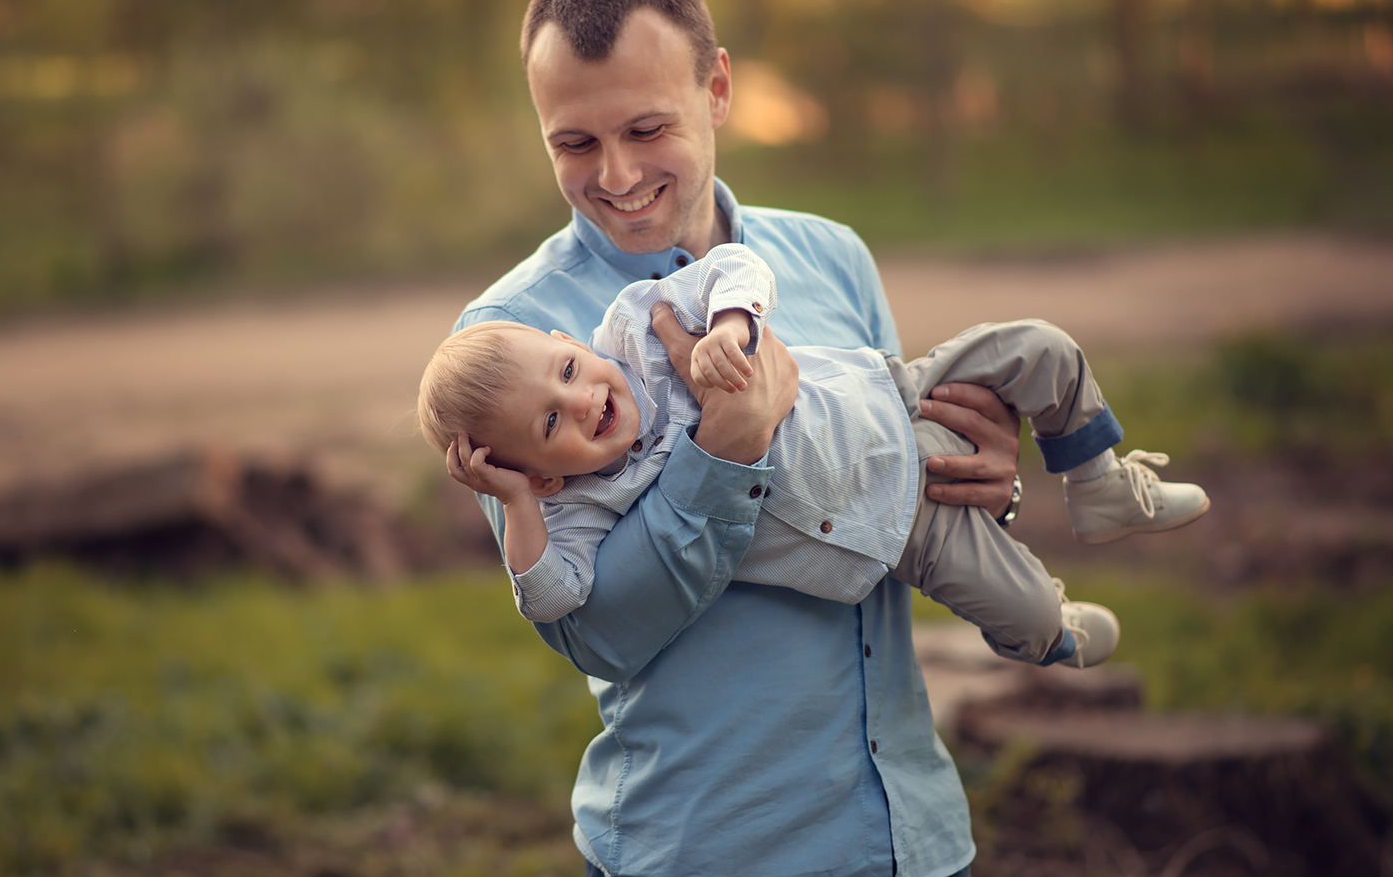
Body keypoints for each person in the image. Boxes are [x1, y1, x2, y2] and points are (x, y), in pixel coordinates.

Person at [453, 0, 1029, 877]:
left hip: (913, 854)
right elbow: (596, 633)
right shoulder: (506, 346)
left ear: (717, 88)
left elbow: (878, 496)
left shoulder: (829, 257)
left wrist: (977, 485)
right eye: (574, 142)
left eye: (646, 129)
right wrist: (724, 452)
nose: (616, 176)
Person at [420, 242, 1208, 670]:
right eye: (552, 423)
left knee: (1042, 347)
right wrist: (519, 506)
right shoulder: (580, 505)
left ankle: (1098, 482)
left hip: (899, 395)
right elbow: (557, 600)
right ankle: (1054, 633)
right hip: (893, 529)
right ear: (543, 472)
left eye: (566, 372)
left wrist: (729, 326)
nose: (583, 400)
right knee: (1029, 615)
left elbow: (739, 265)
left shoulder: (638, 327)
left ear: (568, 342)